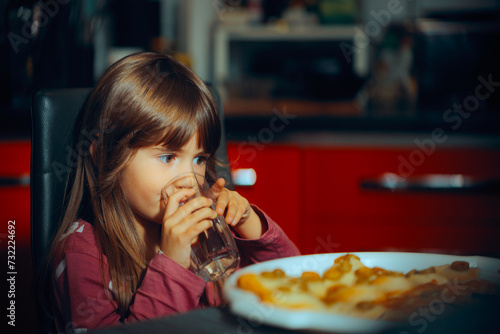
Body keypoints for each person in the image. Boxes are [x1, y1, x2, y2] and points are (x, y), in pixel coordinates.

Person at [39, 52, 300, 332]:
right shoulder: (83, 253)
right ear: (104, 156)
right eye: (167, 157)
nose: (189, 180)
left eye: (199, 159)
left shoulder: (207, 235)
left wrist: (249, 223)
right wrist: (173, 265)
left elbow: (291, 283)